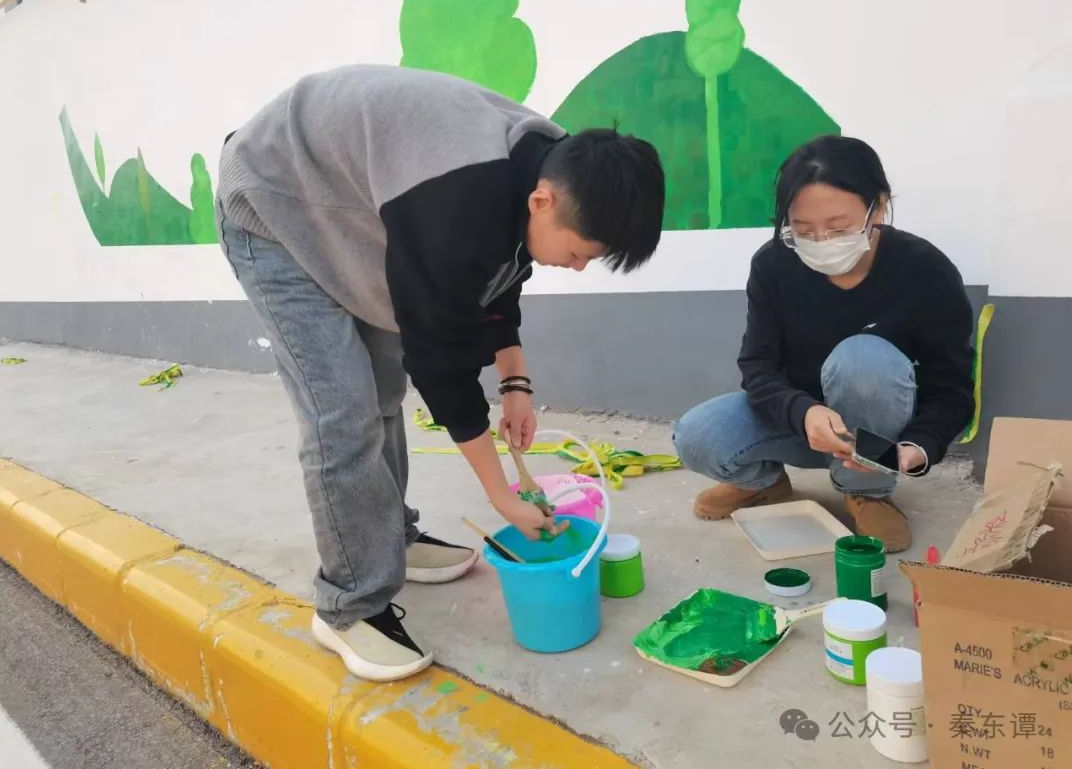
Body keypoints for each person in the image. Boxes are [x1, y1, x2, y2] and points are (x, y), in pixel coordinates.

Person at [214, 64, 665, 681]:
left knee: (382, 392)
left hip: (349, 207)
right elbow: (438, 361)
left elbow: (501, 270)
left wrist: (515, 382)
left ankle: (388, 539)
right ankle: (348, 606)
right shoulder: (459, 201)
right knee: (342, 411)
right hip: (272, 205)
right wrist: (501, 494)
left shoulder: (552, 167)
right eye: (579, 254)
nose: (579, 267)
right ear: (544, 201)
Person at [673, 135, 973, 554]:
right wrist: (804, 412)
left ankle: (866, 491)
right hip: (801, 422)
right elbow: (758, 366)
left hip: (876, 432)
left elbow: (953, 385)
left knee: (863, 357)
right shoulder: (774, 264)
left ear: (878, 207)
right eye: (802, 230)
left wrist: (920, 445)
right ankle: (764, 484)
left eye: (839, 228)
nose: (822, 243)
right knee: (696, 435)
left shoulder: (924, 269)